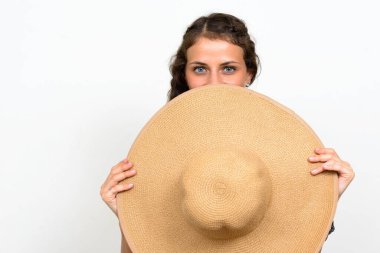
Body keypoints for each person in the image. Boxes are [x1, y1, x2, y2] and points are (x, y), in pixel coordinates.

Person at [100, 13, 355, 253]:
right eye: (200, 69)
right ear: (184, 73)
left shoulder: (285, 147)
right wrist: (129, 216)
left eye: (228, 69)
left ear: (249, 73)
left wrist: (325, 198)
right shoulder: (157, 154)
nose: (214, 82)